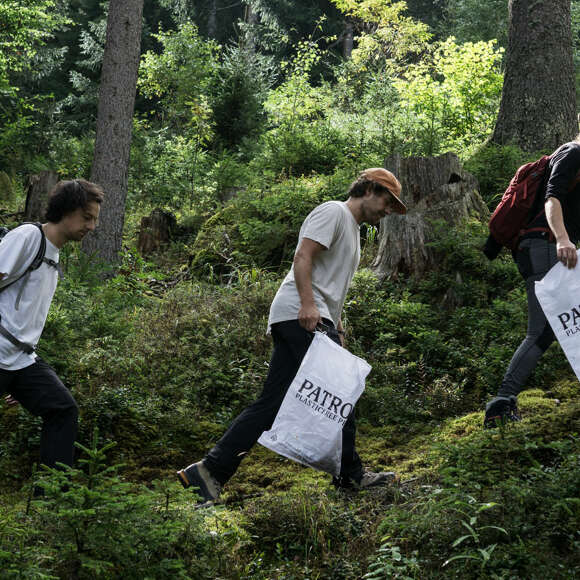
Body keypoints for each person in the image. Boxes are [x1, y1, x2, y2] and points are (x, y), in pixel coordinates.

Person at [177, 168, 407, 503]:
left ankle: (209, 472)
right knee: (341, 390)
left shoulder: (353, 231)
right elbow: (303, 256)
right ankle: (351, 476)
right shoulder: (334, 212)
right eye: (388, 201)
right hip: (300, 314)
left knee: (271, 403)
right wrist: (308, 305)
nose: (389, 210)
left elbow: (335, 289)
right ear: (370, 189)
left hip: (311, 316)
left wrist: (338, 328)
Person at [0, 179, 104, 470]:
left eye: (94, 220)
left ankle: (50, 505)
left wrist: (18, 378)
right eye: (87, 218)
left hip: (20, 360)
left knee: (63, 409)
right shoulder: (28, 237)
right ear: (67, 210)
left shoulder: (53, 255)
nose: (92, 227)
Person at [483, 139, 580, 428]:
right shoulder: (573, 153)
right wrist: (562, 238)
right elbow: (552, 198)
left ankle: (504, 401)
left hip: (546, 247)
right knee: (543, 329)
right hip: (543, 245)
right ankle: (501, 403)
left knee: (562, 322)